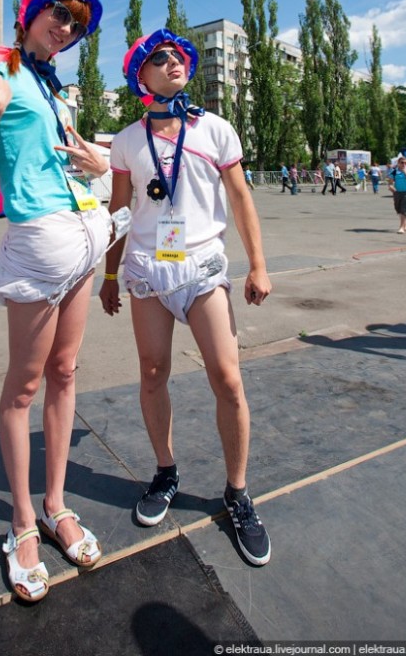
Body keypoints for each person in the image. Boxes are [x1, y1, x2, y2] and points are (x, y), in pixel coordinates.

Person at [0, 0, 122, 603]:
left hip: (81, 237)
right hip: (36, 243)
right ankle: (21, 523)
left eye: (76, 23)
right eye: (58, 14)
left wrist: (101, 169)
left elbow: (67, 161)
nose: (66, 28)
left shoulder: (54, 87)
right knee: (23, 385)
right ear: (28, 14)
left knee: (66, 371)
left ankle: (55, 505)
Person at [99, 29, 272, 567]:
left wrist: (258, 264)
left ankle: (238, 493)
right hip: (148, 271)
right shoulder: (128, 141)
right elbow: (121, 210)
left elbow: (240, 197)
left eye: (178, 56)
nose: (172, 61)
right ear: (140, 77)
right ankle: (165, 471)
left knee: (227, 376)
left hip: (201, 267)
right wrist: (109, 273)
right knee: (152, 373)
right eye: (159, 58)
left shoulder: (215, 129)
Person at [387, 156, 406, 233]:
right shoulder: (394, 171)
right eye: (402, 162)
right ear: (398, 163)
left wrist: (405, 172)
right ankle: (405, 223)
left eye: (405, 162)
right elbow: (390, 182)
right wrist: (391, 187)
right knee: (398, 209)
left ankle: (401, 227)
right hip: (397, 192)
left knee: (404, 209)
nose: (404, 164)